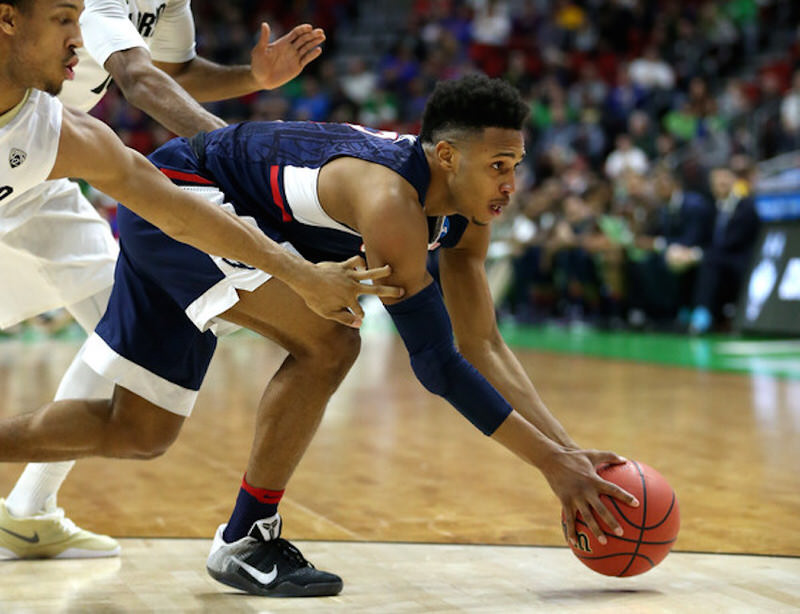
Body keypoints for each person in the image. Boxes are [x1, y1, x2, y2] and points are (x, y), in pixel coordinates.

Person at [0, 74, 638, 597]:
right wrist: (551, 467)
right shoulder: (393, 202)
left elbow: (483, 346)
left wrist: (569, 453)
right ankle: (247, 538)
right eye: (499, 165)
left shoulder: (464, 217)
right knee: (330, 342)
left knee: (137, 432)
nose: (511, 184)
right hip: (186, 205)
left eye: (517, 165)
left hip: (207, 218)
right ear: (447, 156)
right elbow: (438, 365)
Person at [0, 0, 399, 560]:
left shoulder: (67, 131)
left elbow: (175, 181)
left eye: (77, 20)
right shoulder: (102, 8)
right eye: (66, 20)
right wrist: (244, 161)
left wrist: (252, 80)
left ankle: (28, 510)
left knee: (142, 415)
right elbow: (137, 77)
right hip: (31, 157)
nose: (79, 36)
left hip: (43, 176)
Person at [688, 166, 760, 334]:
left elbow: (733, 242)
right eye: (716, 182)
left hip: (740, 260)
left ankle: (702, 314)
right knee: (698, 263)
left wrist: (700, 254)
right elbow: (703, 238)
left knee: (709, 262)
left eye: (724, 180)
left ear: (733, 181)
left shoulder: (746, 206)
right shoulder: (712, 209)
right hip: (717, 259)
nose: (720, 184)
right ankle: (689, 312)